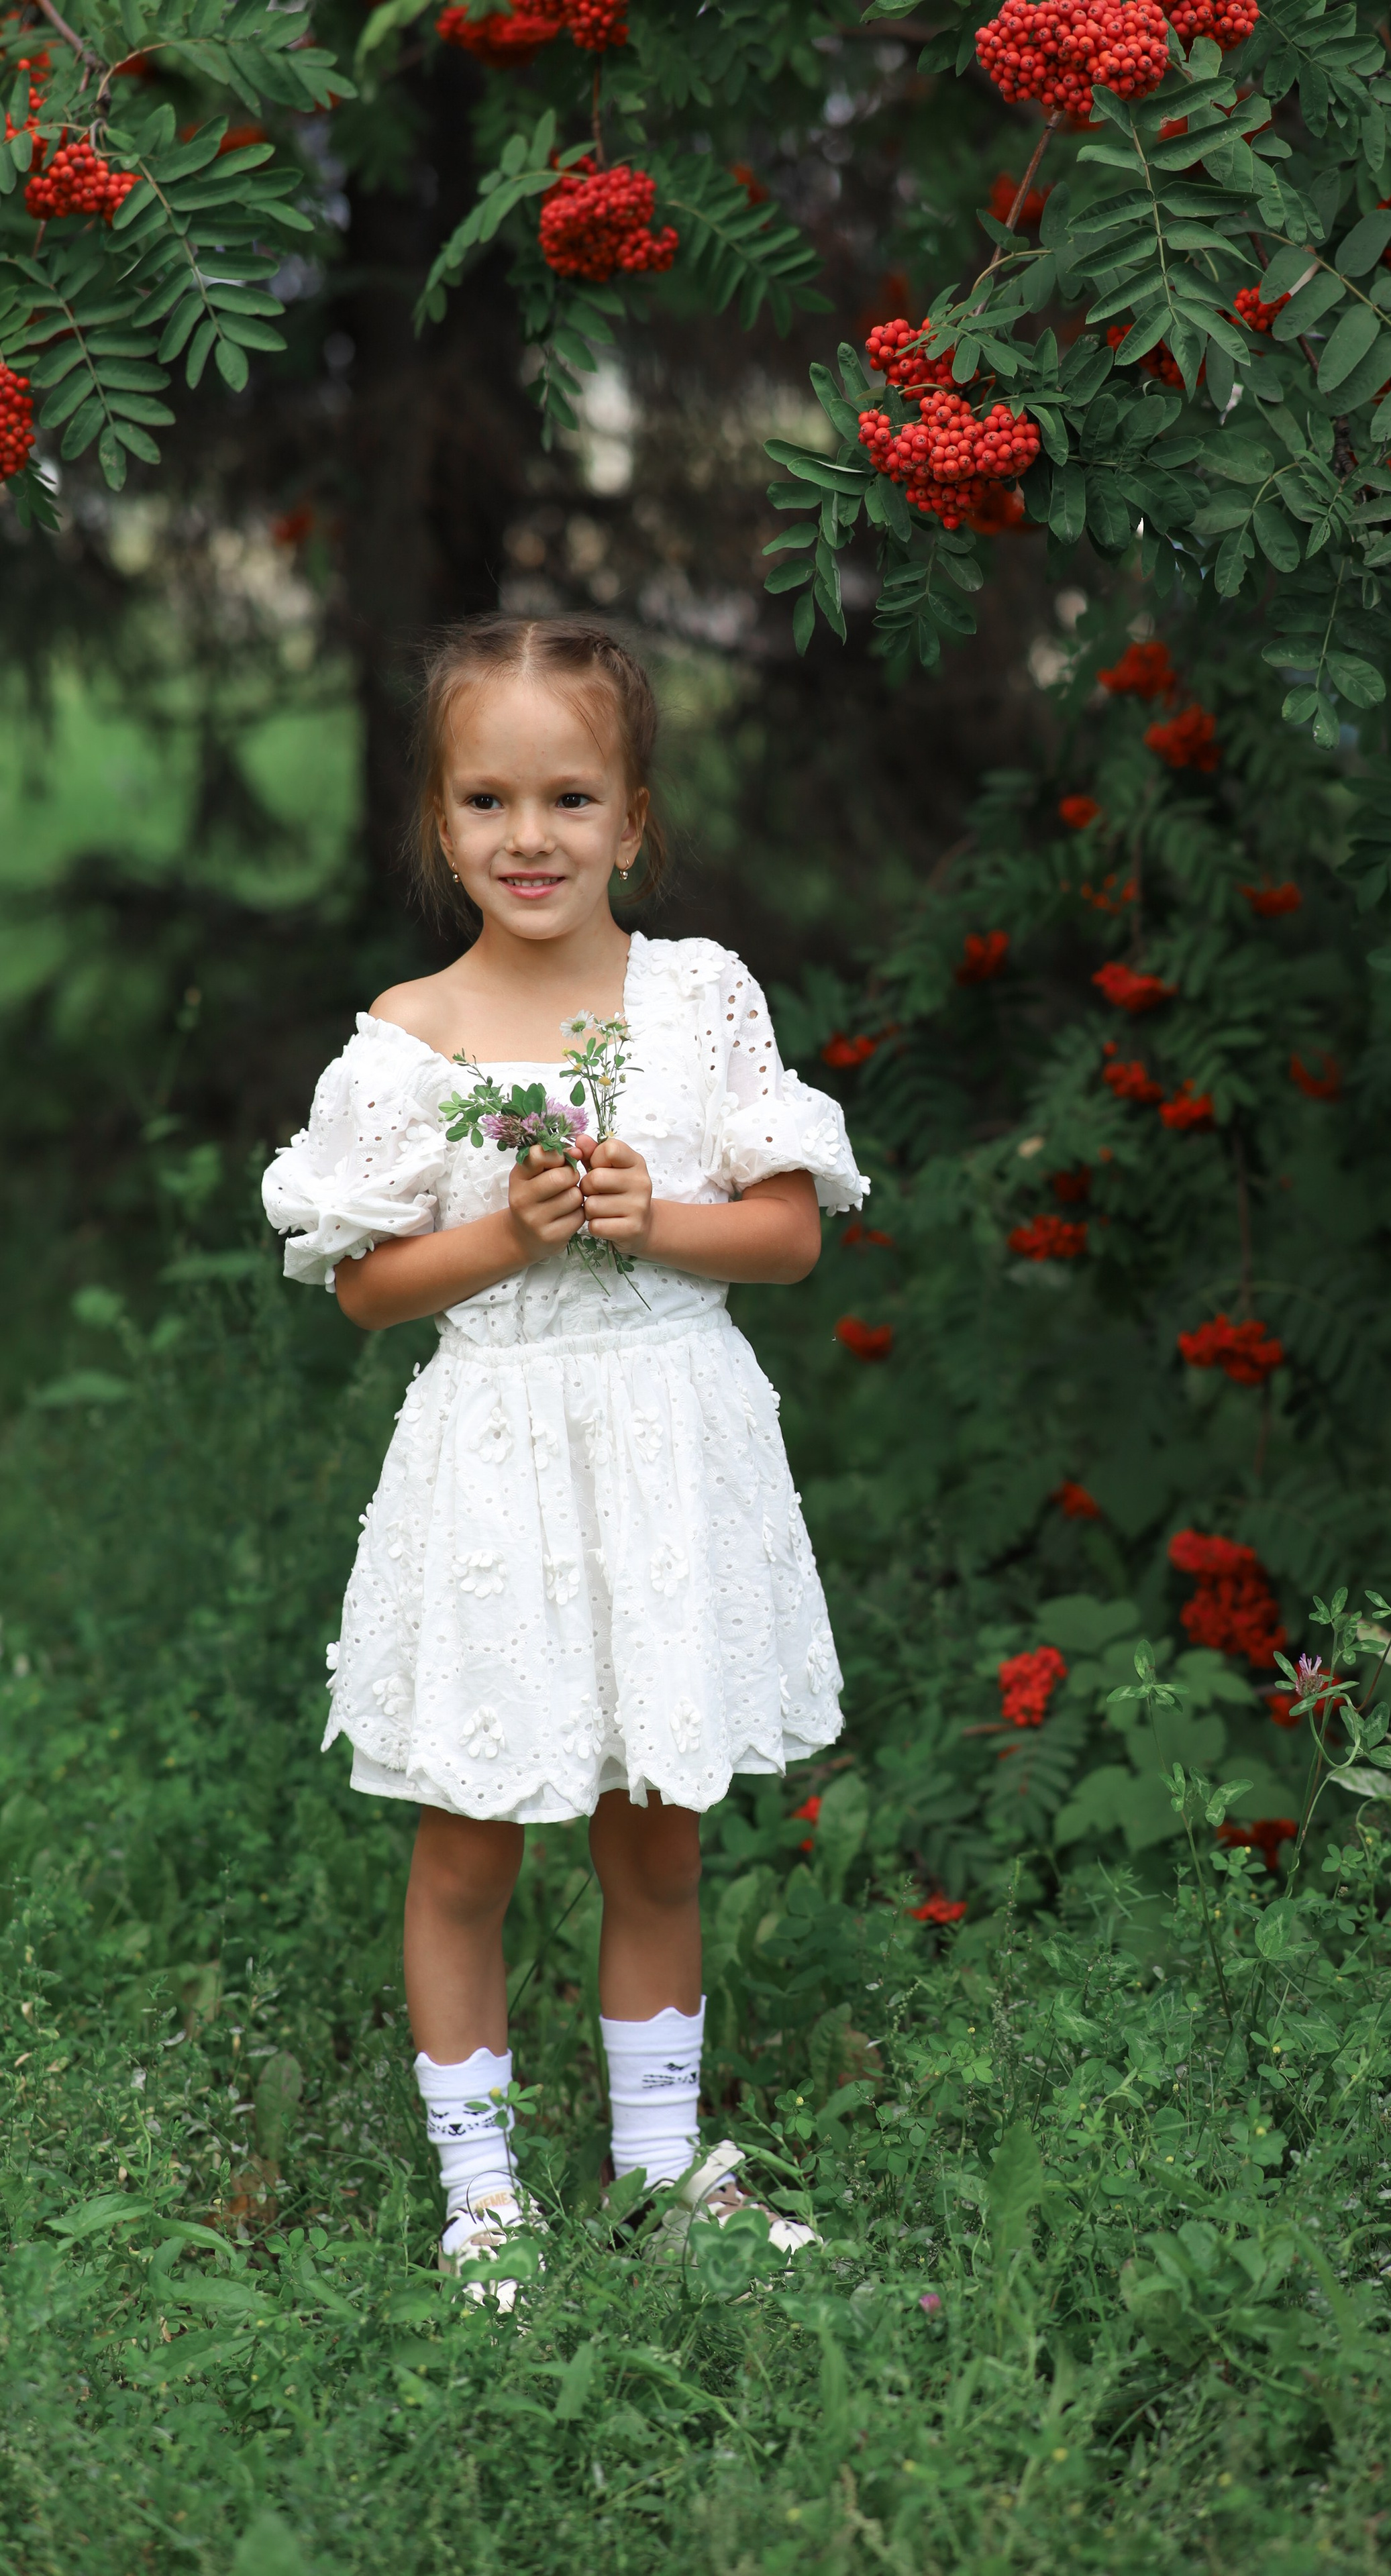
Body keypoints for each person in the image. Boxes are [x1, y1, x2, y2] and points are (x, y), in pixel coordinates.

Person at [262, 614, 866, 2292]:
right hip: (502, 1464)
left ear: (633, 817)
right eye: (486, 801)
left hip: (667, 1451)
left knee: (655, 1822)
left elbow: (788, 1238)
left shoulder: (696, 1000)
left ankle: (660, 2173)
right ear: (439, 824)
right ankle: (480, 2189)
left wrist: (648, 1215)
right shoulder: (411, 1034)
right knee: (470, 1828)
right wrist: (514, 1236)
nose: (528, 839)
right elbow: (370, 1291)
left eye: (570, 798)